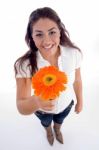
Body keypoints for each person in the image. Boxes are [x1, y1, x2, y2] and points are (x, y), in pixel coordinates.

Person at [14, 7, 83, 146]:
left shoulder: (74, 53)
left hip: (66, 105)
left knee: (60, 120)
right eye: (39, 34)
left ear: (60, 32)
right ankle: (49, 131)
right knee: (46, 122)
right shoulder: (24, 65)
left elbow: (77, 80)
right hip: (42, 112)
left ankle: (57, 130)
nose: (46, 41)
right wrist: (37, 102)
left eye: (52, 32)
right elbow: (21, 106)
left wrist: (80, 101)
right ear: (31, 37)